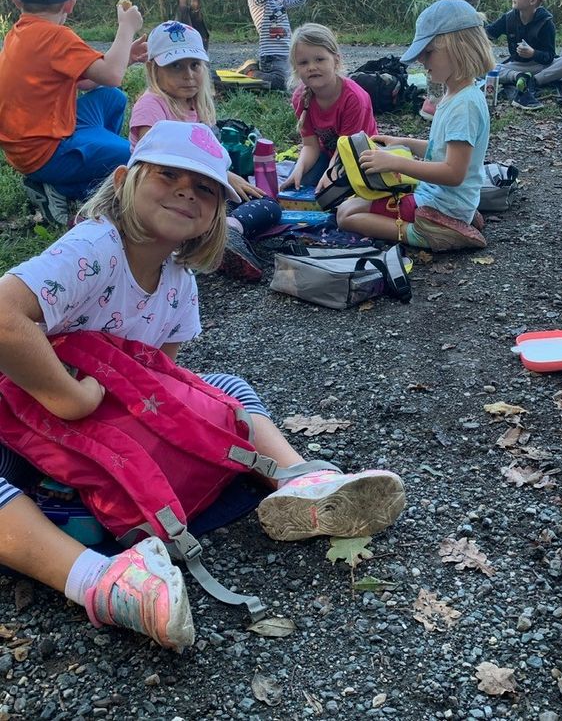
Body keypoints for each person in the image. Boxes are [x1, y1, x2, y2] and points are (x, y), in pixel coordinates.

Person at [0, 121, 406, 650]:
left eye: (205, 188)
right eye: (167, 175)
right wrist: (68, 398)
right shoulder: (94, 247)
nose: (186, 192)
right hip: (23, 410)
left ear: (216, 213)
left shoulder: (180, 281)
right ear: (123, 181)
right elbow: (5, 316)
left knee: (224, 385)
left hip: (101, 429)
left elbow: (164, 379)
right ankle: (99, 582)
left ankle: (299, 481)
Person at [336, 0, 492, 252]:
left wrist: (395, 163)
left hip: (441, 203)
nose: (421, 59)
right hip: (440, 196)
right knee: (354, 202)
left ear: (459, 49)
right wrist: (403, 143)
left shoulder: (464, 106)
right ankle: (454, 219)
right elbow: (443, 149)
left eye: (428, 52)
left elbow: (453, 173)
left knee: (346, 214)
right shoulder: (457, 94)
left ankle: (428, 233)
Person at [129, 20, 279, 282]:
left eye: (194, 65)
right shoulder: (150, 106)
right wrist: (223, 176)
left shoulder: (194, 106)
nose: (188, 74)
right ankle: (207, 236)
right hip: (165, 194)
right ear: (154, 69)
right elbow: (157, 164)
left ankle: (228, 230)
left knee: (268, 204)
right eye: (176, 66)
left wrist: (225, 177)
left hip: (200, 189)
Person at [0, 0, 146, 224]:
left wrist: (127, 57)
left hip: (33, 141)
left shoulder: (19, 32)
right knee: (135, 156)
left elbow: (90, 80)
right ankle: (67, 187)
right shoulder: (56, 37)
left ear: (16, 0)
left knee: (112, 98)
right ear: (70, 3)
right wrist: (126, 27)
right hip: (45, 153)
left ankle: (91, 162)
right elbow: (112, 74)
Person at [281, 23, 378, 191]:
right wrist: (298, 169)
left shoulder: (354, 98)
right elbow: (310, 146)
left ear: (336, 60)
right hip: (327, 155)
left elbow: (346, 151)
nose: (312, 67)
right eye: (303, 62)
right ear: (296, 68)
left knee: (337, 192)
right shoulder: (301, 97)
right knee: (299, 183)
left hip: (361, 156)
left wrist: (329, 175)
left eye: (319, 59)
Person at [485, 0, 562, 110]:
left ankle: (533, 81)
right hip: (517, 66)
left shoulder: (546, 23)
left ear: (532, 1)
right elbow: (488, 33)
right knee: (482, 68)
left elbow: (549, 56)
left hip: (541, 66)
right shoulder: (508, 18)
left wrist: (533, 53)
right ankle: (518, 77)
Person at [236, 0, 317, 91]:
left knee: (297, 82)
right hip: (271, 56)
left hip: (287, 54)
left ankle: (258, 71)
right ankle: (251, 71)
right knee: (282, 85)